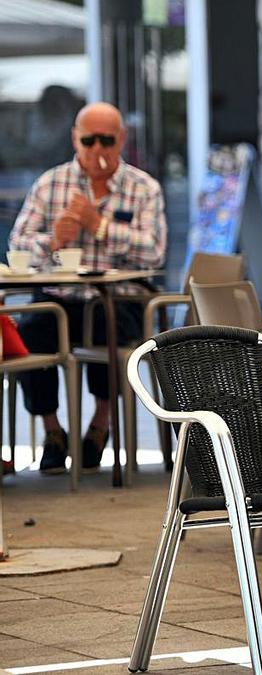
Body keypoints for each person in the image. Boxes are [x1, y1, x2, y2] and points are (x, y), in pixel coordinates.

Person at [9, 102, 166, 474]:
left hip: (117, 300)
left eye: (106, 140)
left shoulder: (143, 188)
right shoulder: (51, 184)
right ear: (75, 139)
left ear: (121, 140)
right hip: (58, 298)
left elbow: (154, 251)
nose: (97, 150)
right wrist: (51, 241)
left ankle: (100, 425)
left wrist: (99, 226)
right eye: (89, 140)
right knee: (28, 335)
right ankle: (52, 431)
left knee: (110, 331)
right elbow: (17, 246)